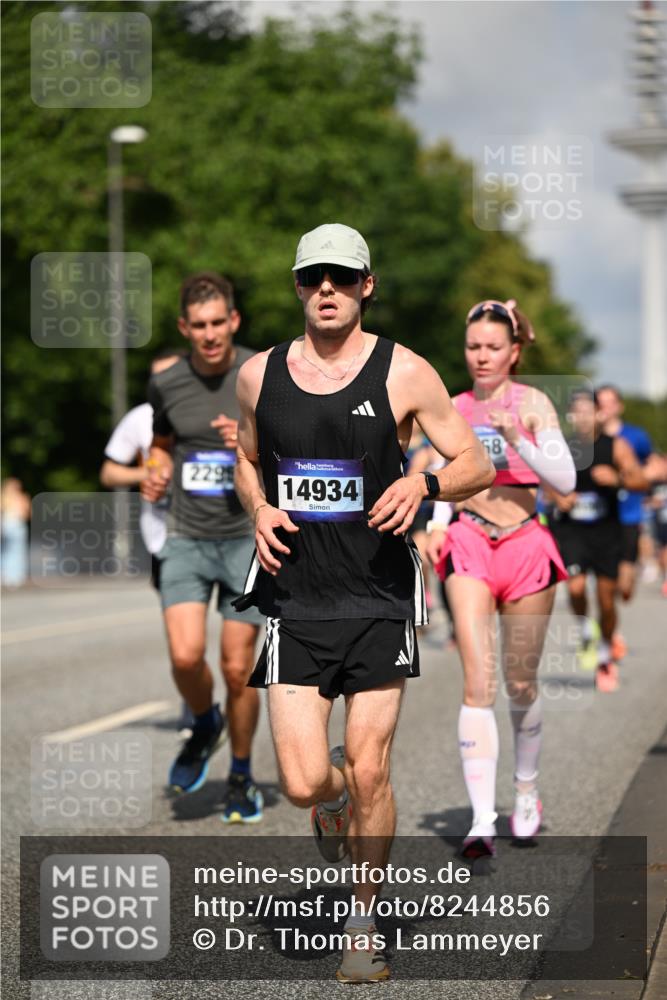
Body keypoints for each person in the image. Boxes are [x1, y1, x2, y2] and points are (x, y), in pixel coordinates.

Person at [233, 223, 493, 982]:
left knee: (372, 767)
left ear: (365, 286)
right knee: (303, 782)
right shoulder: (258, 376)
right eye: (312, 277)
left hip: (379, 594)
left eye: (340, 278)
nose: (326, 290)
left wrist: (424, 483)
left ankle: (361, 923)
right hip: (295, 599)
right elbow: (245, 459)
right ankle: (332, 803)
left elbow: (472, 458)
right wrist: (256, 507)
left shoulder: (405, 372)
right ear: (296, 285)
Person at [425, 299, 576, 859]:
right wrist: (439, 523)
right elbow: (444, 477)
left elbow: (564, 480)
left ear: (514, 351)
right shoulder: (452, 406)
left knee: (519, 682)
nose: (482, 356)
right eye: (473, 347)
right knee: (477, 681)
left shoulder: (532, 403)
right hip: (469, 539)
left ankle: (526, 791)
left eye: (493, 347)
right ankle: (482, 818)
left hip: (527, 544)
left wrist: (519, 439)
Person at [141, 272, 264, 823]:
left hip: (244, 538)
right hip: (187, 537)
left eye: (220, 323)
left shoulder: (262, 375)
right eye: (200, 326)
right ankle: (205, 722)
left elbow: (297, 451)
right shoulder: (166, 384)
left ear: (233, 321)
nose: (211, 334)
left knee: (238, 668)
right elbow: (161, 446)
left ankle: (240, 775)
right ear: (184, 328)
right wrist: (154, 472)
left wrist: (250, 443)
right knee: (186, 656)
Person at [100, 348, 193, 734]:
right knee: (186, 641)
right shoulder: (139, 419)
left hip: (223, 536)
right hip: (165, 541)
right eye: (157, 380)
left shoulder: (211, 409)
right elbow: (108, 473)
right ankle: (198, 707)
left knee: (232, 649)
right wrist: (144, 476)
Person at [545, 390, 656, 692]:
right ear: (569, 417)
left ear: (599, 414)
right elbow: (543, 483)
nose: (581, 417)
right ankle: (585, 629)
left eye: (587, 411)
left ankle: (606, 655)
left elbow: (642, 482)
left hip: (607, 531)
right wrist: (558, 496)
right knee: (577, 586)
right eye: (575, 412)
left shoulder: (616, 447)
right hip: (571, 530)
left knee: (608, 600)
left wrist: (618, 479)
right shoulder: (562, 447)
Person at [595, 384, 656, 658]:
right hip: (598, 522)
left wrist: (629, 475)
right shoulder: (586, 441)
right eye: (600, 402)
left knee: (625, 587)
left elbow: (655, 466)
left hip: (628, 517)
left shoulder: (635, 436)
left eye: (610, 402)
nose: (605, 407)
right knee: (603, 585)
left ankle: (609, 623)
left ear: (619, 406)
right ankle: (610, 633)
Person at [0, 478, 31, 588]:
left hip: (9, 524)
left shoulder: (4, 497)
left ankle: (10, 577)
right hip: (14, 524)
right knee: (15, 551)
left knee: (7, 551)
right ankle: (14, 577)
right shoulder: (21, 498)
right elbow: (27, 513)